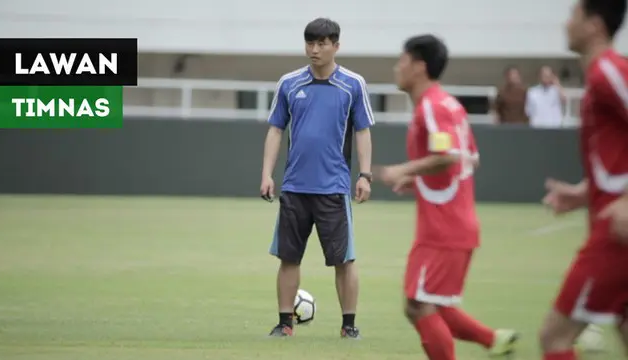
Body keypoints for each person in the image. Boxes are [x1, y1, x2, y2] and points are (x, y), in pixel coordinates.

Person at [373, 34, 518, 360]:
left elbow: (449, 155)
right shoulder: (447, 105)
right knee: (427, 304)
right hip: (447, 225)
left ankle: (490, 341)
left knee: (418, 305)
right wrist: (418, 179)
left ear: (419, 66)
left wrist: (403, 170)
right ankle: (494, 340)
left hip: (445, 228)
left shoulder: (432, 107)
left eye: (403, 61)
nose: (397, 67)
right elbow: (469, 158)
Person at [259, 17, 374, 339]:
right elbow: (276, 129)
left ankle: (348, 326)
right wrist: (267, 174)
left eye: (322, 43)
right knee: (288, 258)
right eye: (310, 43)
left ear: (336, 46)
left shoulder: (352, 84)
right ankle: (285, 323)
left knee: (344, 260)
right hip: (294, 187)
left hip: (333, 189)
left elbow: (363, 131)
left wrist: (365, 175)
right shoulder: (289, 84)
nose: (315, 49)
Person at [540, 0, 628, 359]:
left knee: (554, 337)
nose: (566, 23)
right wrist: (582, 194)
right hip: (611, 226)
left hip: (615, 235)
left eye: (573, 15)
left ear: (593, 24)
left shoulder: (608, 71)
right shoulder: (598, 78)